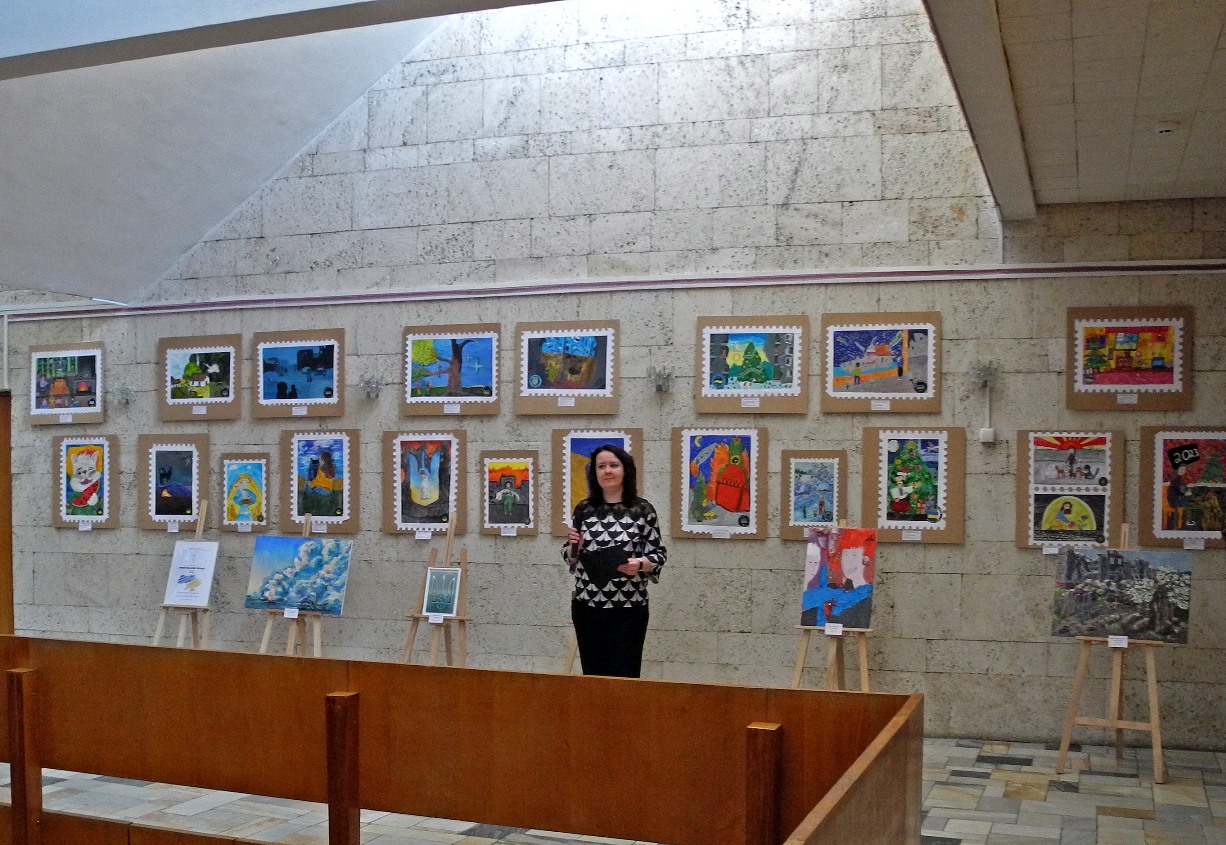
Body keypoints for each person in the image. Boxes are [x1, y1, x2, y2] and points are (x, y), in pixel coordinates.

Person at [563, 444, 666, 678]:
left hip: (629, 609)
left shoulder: (643, 510)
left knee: (625, 677)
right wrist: (574, 546)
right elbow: (570, 556)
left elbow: (658, 555)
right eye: (601, 466)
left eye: (613, 465)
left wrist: (639, 565)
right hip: (588, 607)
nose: (607, 471)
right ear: (594, 473)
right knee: (593, 676)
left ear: (625, 470)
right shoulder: (584, 509)